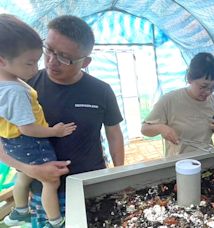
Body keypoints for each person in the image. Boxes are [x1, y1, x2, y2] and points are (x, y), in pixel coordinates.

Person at [0, 15, 125, 227]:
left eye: (65, 57)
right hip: (44, 192)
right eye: (48, 50)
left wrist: (119, 174)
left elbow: (114, 134)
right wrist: (30, 170)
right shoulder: (20, 86)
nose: (51, 61)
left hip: (91, 185)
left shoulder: (101, 91)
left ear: (85, 62)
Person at [0, 14, 76, 228]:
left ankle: (20, 210)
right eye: (30, 63)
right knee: (50, 181)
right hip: (29, 143)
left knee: (23, 174)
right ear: (2, 60)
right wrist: (55, 131)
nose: (35, 69)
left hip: (11, 144)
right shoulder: (14, 91)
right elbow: (28, 128)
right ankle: (56, 221)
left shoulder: (8, 80)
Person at [141, 52, 214, 156]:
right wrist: (161, 127)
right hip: (178, 163)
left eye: (213, 87)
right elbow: (145, 129)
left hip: (206, 159)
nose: (208, 92)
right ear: (189, 79)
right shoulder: (169, 100)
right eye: (203, 87)